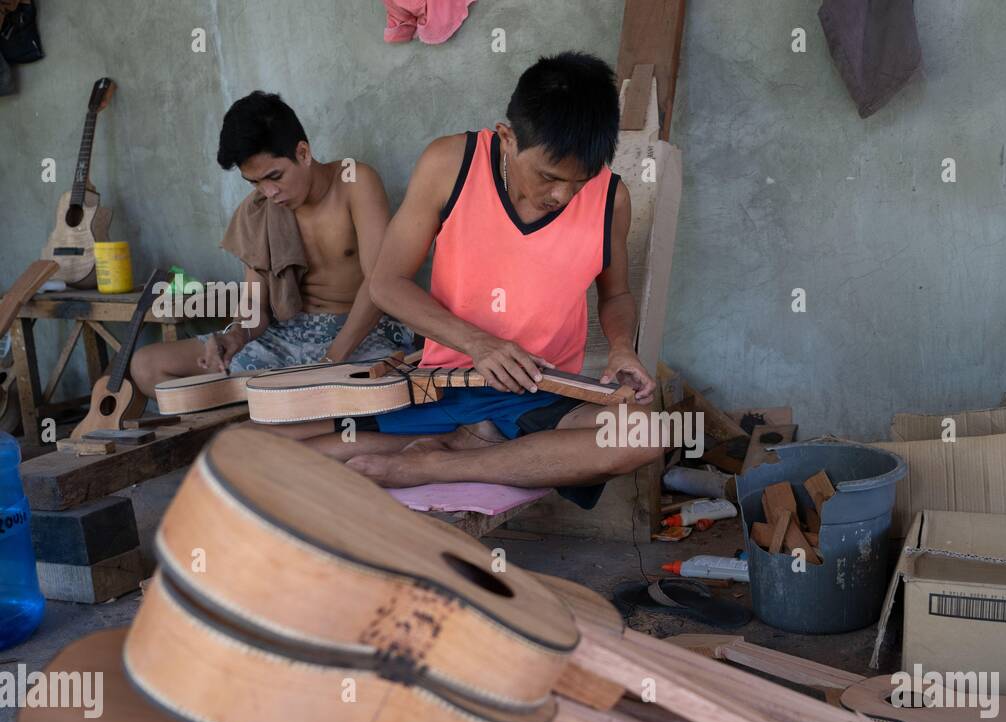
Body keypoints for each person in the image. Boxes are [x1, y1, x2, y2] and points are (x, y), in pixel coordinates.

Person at [295, 52, 661, 509]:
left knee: (642, 435)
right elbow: (387, 283)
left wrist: (623, 346)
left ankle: (436, 465)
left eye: (579, 181)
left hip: (536, 395)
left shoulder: (612, 198)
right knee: (282, 456)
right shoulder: (451, 163)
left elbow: (618, 294)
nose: (562, 196)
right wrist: (479, 344)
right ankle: (469, 440)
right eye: (549, 177)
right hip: (442, 385)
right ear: (507, 138)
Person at [130, 92, 409, 397]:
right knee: (146, 365)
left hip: (358, 335)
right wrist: (234, 337)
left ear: (302, 153)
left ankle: (269, 412)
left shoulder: (355, 181)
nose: (270, 192)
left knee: (380, 387)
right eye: (255, 182)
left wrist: (330, 361)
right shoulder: (259, 210)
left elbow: (379, 283)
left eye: (275, 176)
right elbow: (254, 307)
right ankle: (252, 419)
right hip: (285, 336)